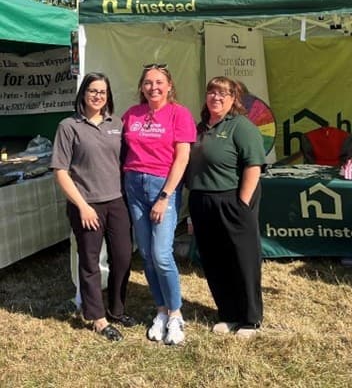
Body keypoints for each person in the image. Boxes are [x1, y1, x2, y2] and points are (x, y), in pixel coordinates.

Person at [51, 72, 135, 342]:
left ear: (108, 95)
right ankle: (97, 318)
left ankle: (117, 310)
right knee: (89, 262)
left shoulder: (117, 124)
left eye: (103, 91)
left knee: (122, 257)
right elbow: (61, 171)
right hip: (86, 205)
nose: (98, 96)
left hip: (117, 201)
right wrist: (83, 206)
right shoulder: (69, 126)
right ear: (83, 93)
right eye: (92, 90)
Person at [122, 63, 196, 345]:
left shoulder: (180, 114)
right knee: (146, 254)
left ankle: (176, 314)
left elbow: (182, 159)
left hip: (161, 186)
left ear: (169, 86)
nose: (153, 87)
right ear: (141, 87)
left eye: (159, 82)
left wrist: (165, 196)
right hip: (134, 185)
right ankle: (161, 310)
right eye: (148, 82)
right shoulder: (132, 114)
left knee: (162, 254)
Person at [187, 76, 266, 338]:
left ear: (233, 100)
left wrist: (242, 204)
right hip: (201, 201)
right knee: (214, 260)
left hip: (231, 200)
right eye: (212, 92)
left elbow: (253, 166)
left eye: (223, 94)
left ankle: (250, 318)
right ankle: (228, 313)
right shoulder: (199, 128)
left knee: (242, 259)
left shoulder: (241, 126)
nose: (216, 97)